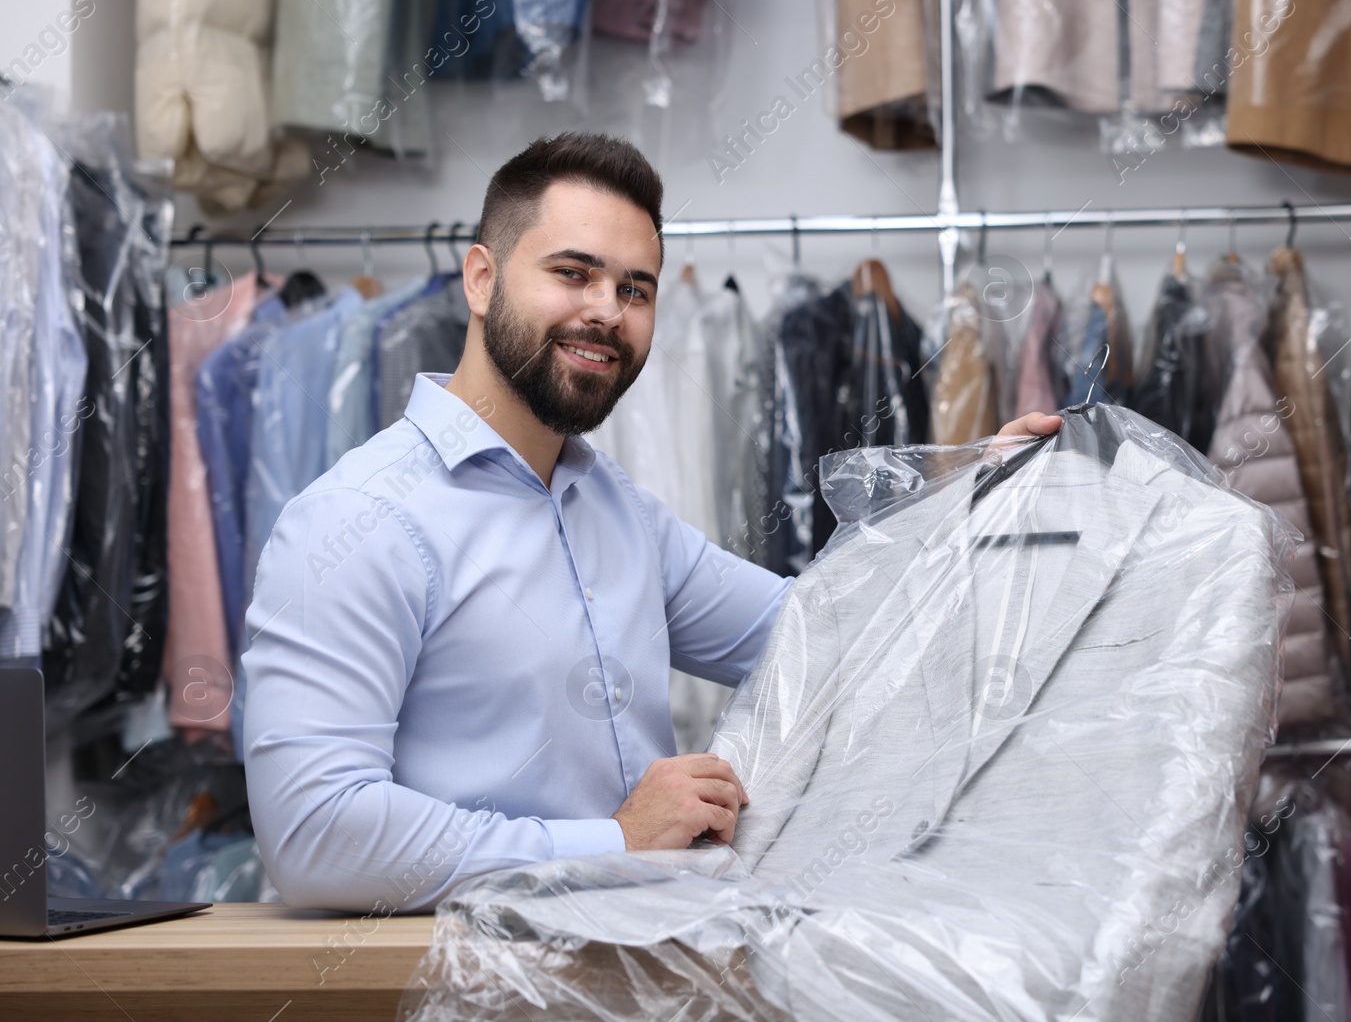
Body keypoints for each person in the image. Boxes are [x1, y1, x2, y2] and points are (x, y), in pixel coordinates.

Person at [240, 132, 1062, 913]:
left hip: (637, 974)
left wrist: (965, 498)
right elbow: (313, 833)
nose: (608, 311)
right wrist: (615, 840)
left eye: (636, 289)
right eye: (574, 272)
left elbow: (820, 636)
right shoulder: (357, 520)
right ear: (481, 279)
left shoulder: (617, 509)